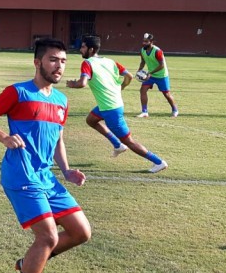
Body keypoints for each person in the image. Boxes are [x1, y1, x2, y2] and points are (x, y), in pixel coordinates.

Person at [0, 37, 90, 273]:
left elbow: (58, 138)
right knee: (48, 237)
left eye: (63, 61)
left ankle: (27, 265)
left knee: (81, 232)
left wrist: (65, 170)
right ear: (38, 62)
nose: (59, 66)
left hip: (46, 177)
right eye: (53, 60)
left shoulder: (61, 100)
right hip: (21, 175)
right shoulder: (18, 92)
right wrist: (4, 136)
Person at [66, 35, 168, 173]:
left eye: (83, 47)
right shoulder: (110, 61)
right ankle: (117, 145)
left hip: (110, 109)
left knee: (129, 141)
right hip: (110, 104)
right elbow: (129, 76)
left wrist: (72, 84)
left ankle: (158, 162)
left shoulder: (87, 63)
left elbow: (82, 83)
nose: (80, 49)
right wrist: (122, 87)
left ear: (90, 49)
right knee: (91, 120)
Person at [136, 32, 179, 118]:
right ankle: (145, 112)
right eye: (143, 41)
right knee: (142, 90)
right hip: (150, 75)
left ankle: (175, 110)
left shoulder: (158, 51)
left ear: (151, 42)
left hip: (161, 75)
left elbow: (161, 65)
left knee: (166, 94)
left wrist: (150, 73)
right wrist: (139, 71)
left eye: (146, 41)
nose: (144, 43)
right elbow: (143, 61)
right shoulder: (142, 50)